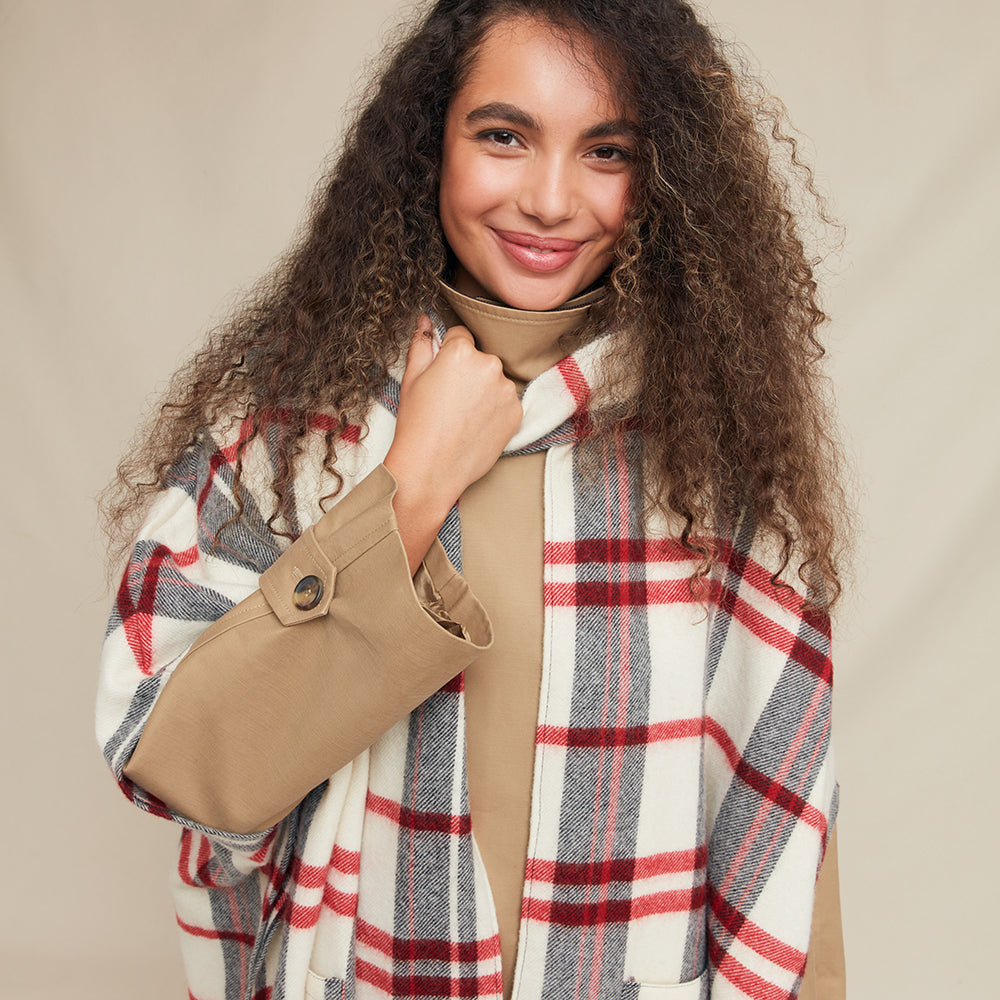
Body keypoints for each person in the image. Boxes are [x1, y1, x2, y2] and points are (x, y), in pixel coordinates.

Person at [97, 1, 848, 998]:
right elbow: (181, 762)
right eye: (504, 135)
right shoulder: (287, 430)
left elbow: (783, 842)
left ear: (659, 176)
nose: (548, 198)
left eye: (606, 151)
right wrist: (410, 484)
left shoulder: (711, 453)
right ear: (428, 146)